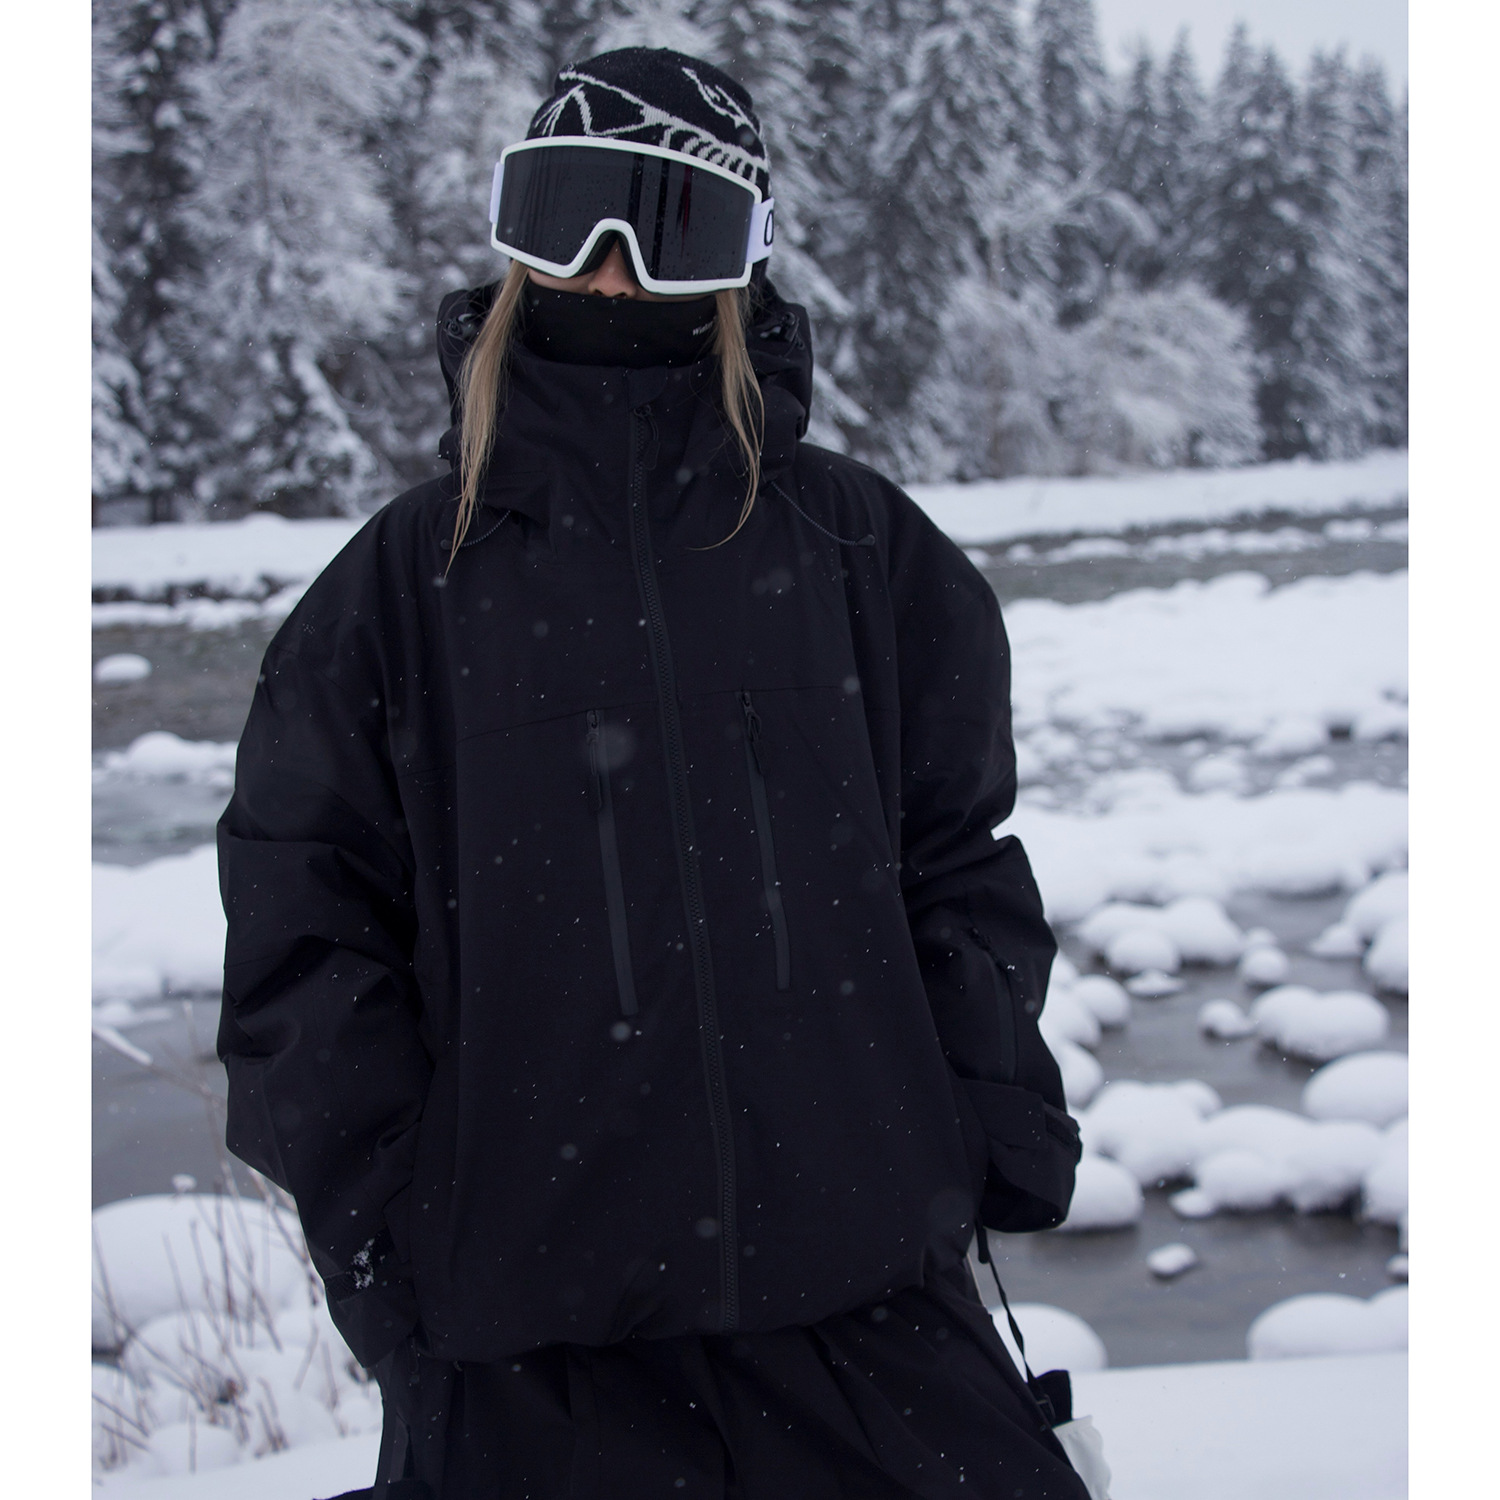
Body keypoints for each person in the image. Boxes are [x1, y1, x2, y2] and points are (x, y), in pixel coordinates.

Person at [217, 46, 1087, 1500]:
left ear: (743, 259)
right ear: (515, 243)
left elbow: (960, 864)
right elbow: (304, 943)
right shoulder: (403, 586)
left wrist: (974, 1129)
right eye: (568, 215)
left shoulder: (862, 550)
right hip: (528, 1352)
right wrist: (394, 1254)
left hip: (867, 1312)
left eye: (670, 222)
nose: (611, 267)